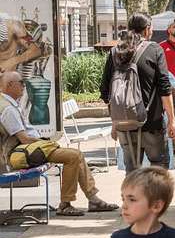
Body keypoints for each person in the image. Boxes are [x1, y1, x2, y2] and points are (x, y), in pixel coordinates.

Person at [0, 72, 118, 215]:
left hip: (30, 150)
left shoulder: (9, 104)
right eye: (21, 83)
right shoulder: (7, 109)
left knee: (76, 155)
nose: (24, 86)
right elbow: (24, 138)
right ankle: (67, 204)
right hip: (23, 153)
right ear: (9, 85)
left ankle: (91, 199)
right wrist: (44, 142)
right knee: (73, 156)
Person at [100, 13, 175, 171]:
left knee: (132, 171)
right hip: (152, 123)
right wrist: (172, 120)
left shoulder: (115, 52)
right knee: (158, 170)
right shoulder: (155, 50)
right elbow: (165, 88)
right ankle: (154, 196)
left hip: (125, 124)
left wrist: (115, 122)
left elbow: (105, 91)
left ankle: (132, 196)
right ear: (147, 29)